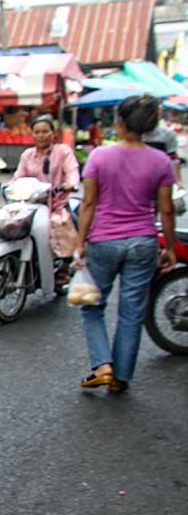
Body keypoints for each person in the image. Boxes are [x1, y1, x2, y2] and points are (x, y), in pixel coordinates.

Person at [74, 95, 178, 394]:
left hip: (103, 241)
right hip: (143, 242)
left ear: (118, 124)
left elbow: (89, 203)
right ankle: (119, 378)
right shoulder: (161, 161)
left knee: (92, 305)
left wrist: (80, 243)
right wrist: (169, 247)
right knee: (131, 312)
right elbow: (166, 209)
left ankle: (103, 365)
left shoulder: (98, 157)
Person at [11, 114, 81, 286]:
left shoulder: (63, 151)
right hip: (30, 204)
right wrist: (9, 187)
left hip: (57, 204)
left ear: (53, 133)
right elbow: (18, 177)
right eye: (37, 132)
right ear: (32, 134)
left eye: (45, 131)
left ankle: (65, 266)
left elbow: (72, 172)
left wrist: (70, 184)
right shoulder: (27, 155)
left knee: (69, 226)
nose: (41, 135)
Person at [142, 114, 183, 187]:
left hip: (161, 178)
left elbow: (173, 158)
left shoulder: (167, 133)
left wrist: (178, 180)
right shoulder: (133, 133)